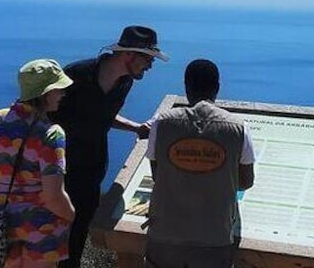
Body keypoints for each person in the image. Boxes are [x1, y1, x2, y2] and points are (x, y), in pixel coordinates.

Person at [49, 25, 169, 268]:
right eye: (148, 58)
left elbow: (104, 115)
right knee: (48, 237)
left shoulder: (125, 83)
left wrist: (135, 127)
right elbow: (44, 115)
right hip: (58, 170)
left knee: (77, 236)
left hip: (91, 170)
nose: (150, 65)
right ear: (129, 54)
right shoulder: (75, 76)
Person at [144, 59, 255, 268]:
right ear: (217, 88)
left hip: (165, 235)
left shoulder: (162, 123)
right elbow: (246, 182)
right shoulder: (239, 128)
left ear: (186, 86)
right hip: (215, 237)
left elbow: (158, 175)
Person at [0, 58, 77, 268]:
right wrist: (72, 216)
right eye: (59, 89)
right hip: (42, 226)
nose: (63, 94)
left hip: (5, 220)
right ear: (46, 93)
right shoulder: (51, 134)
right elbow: (53, 196)